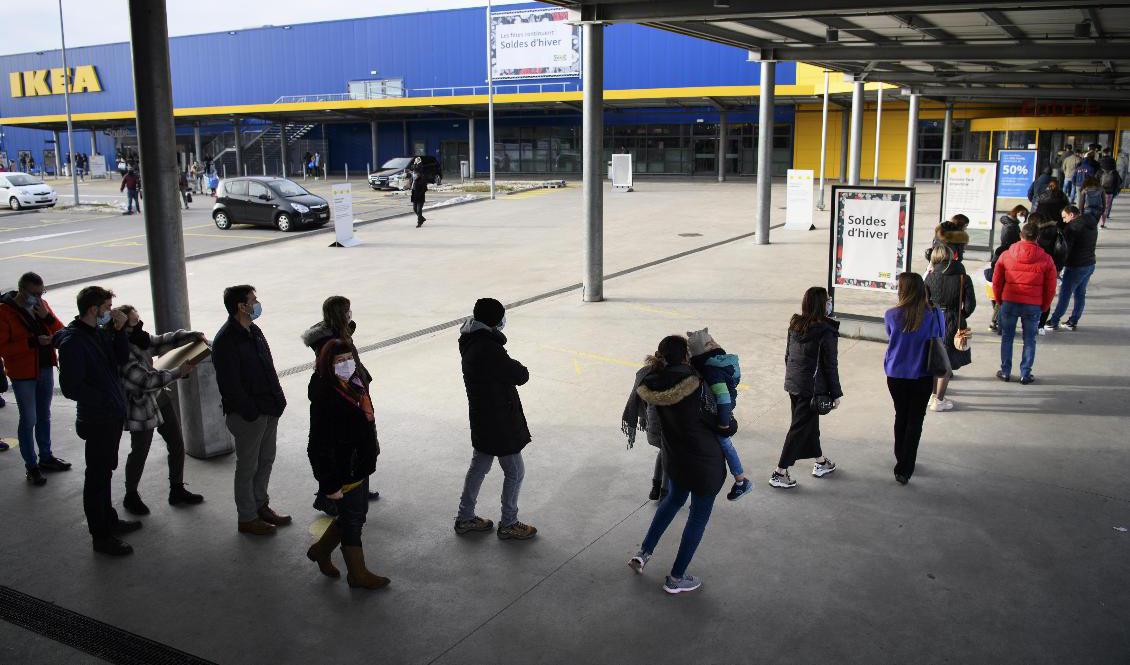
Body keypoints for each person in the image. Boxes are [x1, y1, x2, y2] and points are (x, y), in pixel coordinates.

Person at [628, 335, 724, 595]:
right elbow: (722, 422)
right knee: (698, 517)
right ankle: (676, 578)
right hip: (703, 463)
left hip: (676, 458)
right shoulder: (696, 384)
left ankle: (644, 552)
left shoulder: (652, 381)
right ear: (685, 356)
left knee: (671, 502)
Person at [55, 286, 140, 556]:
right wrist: (104, 398)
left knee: (105, 472)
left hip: (111, 415)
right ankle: (100, 536)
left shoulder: (99, 333)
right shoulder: (74, 342)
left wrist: (118, 332)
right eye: (107, 308)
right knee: (97, 477)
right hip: (97, 418)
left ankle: (109, 520)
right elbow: (71, 387)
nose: (110, 312)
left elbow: (121, 358)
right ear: (93, 310)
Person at [306, 338, 388, 589]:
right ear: (327, 365)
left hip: (358, 464)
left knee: (354, 514)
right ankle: (357, 573)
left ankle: (321, 550)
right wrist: (329, 484)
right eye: (339, 361)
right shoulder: (326, 396)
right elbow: (317, 446)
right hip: (343, 471)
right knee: (353, 519)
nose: (346, 364)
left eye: (349, 358)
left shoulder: (354, 383)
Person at [453, 298, 537, 541]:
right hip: (498, 420)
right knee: (515, 471)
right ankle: (509, 523)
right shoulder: (488, 348)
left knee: (479, 466)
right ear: (494, 321)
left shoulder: (471, 339)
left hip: (483, 416)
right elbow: (520, 375)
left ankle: (465, 517)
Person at [212, 285, 289, 536]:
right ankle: (247, 517)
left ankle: (260, 505)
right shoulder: (225, 340)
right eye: (253, 300)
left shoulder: (254, 330)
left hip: (268, 408)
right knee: (247, 466)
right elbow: (230, 385)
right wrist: (251, 411)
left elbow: (268, 366)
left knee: (265, 460)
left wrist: (278, 400)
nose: (257, 304)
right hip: (249, 416)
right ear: (241, 306)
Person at [116, 305, 206, 515]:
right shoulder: (121, 350)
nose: (140, 325)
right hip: (140, 406)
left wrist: (192, 336)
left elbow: (165, 341)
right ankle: (131, 495)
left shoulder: (140, 339)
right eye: (134, 322)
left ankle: (177, 489)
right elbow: (145, 380)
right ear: (123, 328)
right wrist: (178, 372)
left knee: (176, 443)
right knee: (140, 451)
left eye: (139, 319)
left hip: (159, 398)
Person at [301, 295, 379, 512]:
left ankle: (357, 485)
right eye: (347, 311)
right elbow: (318, 446)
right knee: (337, 449)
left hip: (355, 389)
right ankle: (329, 496)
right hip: (347, 394)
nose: (350, 314)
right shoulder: (329, 342)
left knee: (359, 444)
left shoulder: (341, 332)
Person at [0, 272, 70, 485]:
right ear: (21, 291)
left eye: (42, 293)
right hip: (23, 375)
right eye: (35, 293)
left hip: (45, 367)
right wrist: (31, 343)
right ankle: (31, 465)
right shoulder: (4, 312)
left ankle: (46, 457)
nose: (39, 297)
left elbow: (63, 332)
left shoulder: (43, 305)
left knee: (44, 416)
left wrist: (46, 317)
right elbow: (3, 347)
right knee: (28, 419)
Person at [772, 286, 842, 489]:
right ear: (822, 305)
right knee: (798, 429)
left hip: (795, 384)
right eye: (828, 300)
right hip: (811, 388)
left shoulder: (795, 325)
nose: (830, 303)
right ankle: (780, 472)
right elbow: (830, 366)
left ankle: (820, 461)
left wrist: (795, 378)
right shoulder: (826, 332)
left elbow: (788, 356)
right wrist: (835, 394)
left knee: (808, 425)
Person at [883, 273, 944, 485]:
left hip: (896, 374)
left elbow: (891, 336)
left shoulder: (891, 315)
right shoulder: (934, 315)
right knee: (915, 419)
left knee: (901, 414)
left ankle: (901, 455)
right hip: (923, 374)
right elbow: (941, 337)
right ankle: (905, 467)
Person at [687, 328, 750, 500]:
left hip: (720, 411)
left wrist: (723, 423)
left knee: (725, 444)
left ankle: (741, 480)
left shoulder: (711, 370)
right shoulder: (718, 361)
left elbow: (723, 398)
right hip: (722, 407)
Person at [992, 221, 1058, 385]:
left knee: (1007, 337)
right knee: (1030, 339)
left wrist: (1000, 300)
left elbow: (997, 281)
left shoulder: (1006, 255)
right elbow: (1051, 287)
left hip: (1009, 301)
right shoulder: (1046, 259)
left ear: (1020, 235)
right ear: (1037, 237)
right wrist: (1044, 305)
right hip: (1033, 304)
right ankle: (1025, 374)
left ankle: (1006, 371)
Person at [924, 245, 976, 411]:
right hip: (953, 321)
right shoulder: (963, 278)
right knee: (946, 364)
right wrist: (961, 315)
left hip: (932, 321)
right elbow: (970, 305)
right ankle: (939, 400)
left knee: (933, 360)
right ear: (951, 257)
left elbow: (924, 302)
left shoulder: (929, 277)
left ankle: (932, 396)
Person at [621, 359, 668, 502]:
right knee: (669, 458)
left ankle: (656, 487)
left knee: (663, 453)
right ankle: (665, 493)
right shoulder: (671, 379)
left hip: (652, 428)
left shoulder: (647, 375)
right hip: (665, 429)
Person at [1046, 206, 1098, 332]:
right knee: (1080, 294)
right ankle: (1073, 320)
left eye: (1065, 217)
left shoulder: (1073, 227)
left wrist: (1058, 267)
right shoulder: (1091, 223)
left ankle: (1054, 321)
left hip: (1076, 266)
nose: (1064, 220)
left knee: (1065, 294)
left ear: (1072, 215)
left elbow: (1065, 250)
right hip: (1089, 263)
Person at [988, 206, 1027, 333]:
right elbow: (1008, 245)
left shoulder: (1010, 223)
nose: (1024, 218)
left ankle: (994, 321)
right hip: (1007, 263)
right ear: (1017, 213)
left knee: (1001, 297)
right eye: (1023, 215)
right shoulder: (1012, 227)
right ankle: (998, 322)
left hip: (1003, 261)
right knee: (1003, 297)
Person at [1098, 155, 1122, 229]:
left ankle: (1097, 221)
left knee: (1099, 207)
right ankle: (1102, 224)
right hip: (1109, 193)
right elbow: (1119, 182)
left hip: (1100, 192)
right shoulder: (1115, 173)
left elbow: (1095, 180)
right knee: (1106, 208)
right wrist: (1115, 191)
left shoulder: (1100, 171)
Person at [409, 157, 428, 227]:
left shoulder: (422, 178)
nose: (414, 175)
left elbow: (425, 188)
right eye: (413, 174)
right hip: (414, 193)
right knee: (414, 208)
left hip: (420, 195)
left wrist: (421, 194)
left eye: (415, 174)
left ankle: (419, 222)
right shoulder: (414, 179)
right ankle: (422, 218)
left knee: (419, 209)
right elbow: (412, 168)